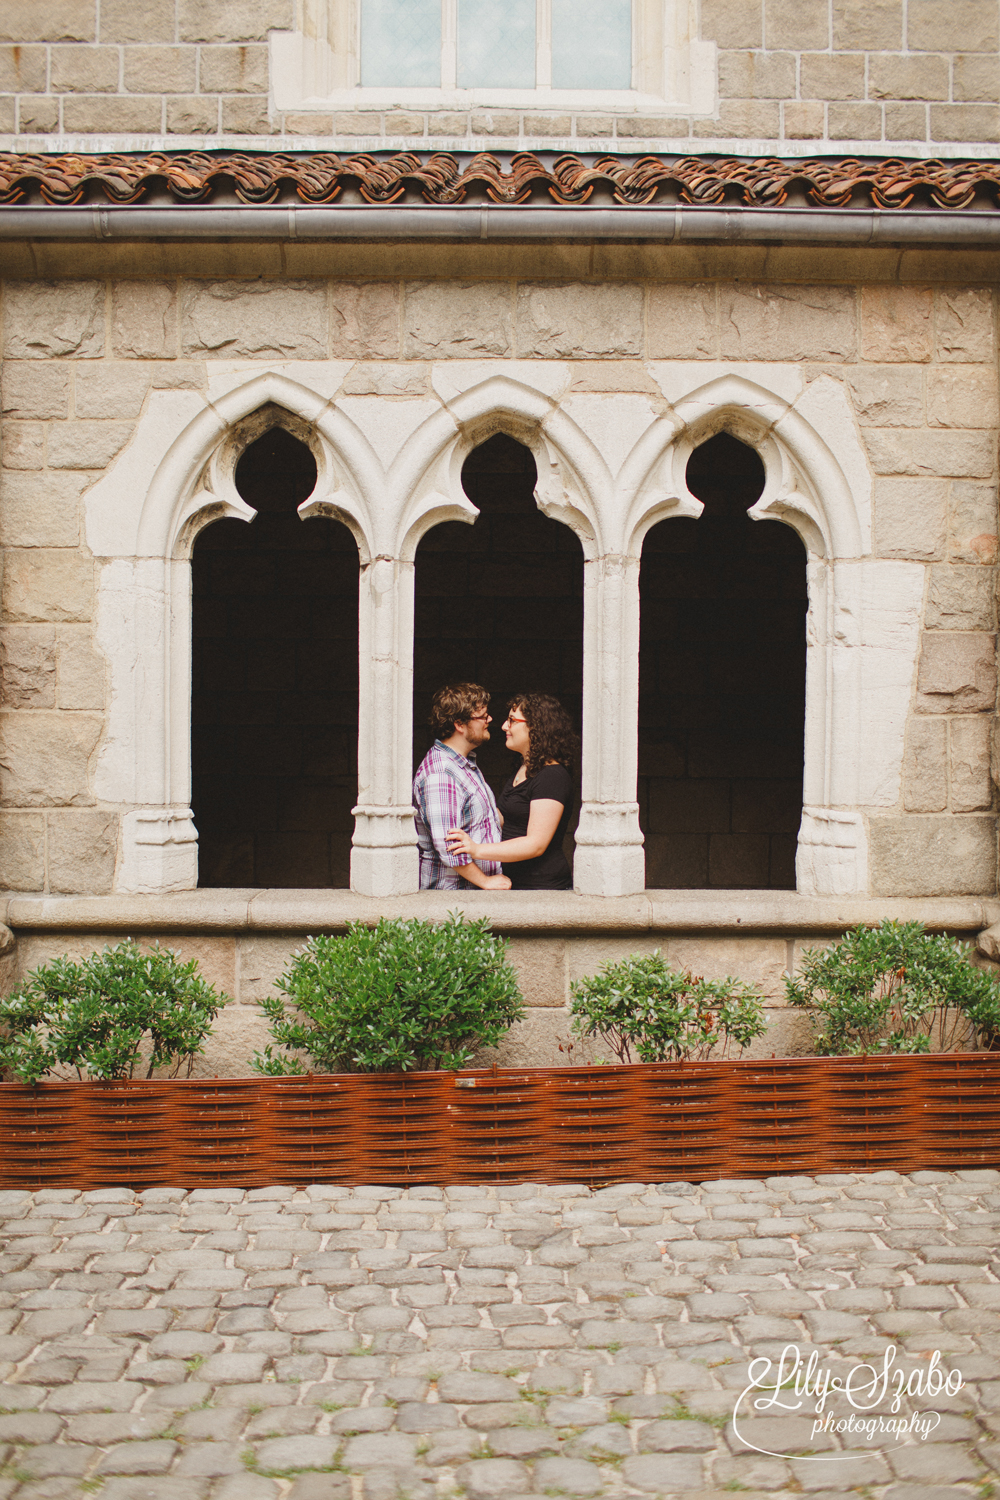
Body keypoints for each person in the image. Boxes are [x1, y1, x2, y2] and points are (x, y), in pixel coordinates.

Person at [446, 693, 577, 891]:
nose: (504, 727)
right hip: (514, 884)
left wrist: (476, 849)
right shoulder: (524, 767)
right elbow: (504, 818)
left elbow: (536, 844)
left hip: (541, 888)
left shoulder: (552, 776)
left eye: (512, 720)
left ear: (535, 726)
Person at [412, 683, 512, 891]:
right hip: (454, 902)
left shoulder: (463, 765)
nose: (489, 720)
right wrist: (485, 882)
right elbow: (449, 846)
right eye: (482, 716)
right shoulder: (442, 774)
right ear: (459, 724)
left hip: (470, 897)